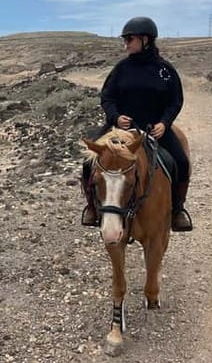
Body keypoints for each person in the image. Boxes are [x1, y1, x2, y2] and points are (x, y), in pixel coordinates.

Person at [81, 16, 193, 232]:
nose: (126, 44)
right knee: (88, 163)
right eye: (125, 40)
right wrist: (115, 117)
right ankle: (92, 208)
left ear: (145, 40)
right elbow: (107, 97)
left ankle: (178, 210)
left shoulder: (165, 70)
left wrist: (165, 123)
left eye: (129, 39)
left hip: (155, 130)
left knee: (181, 161)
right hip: (121, 128)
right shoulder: (121, 69)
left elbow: (175, 100)